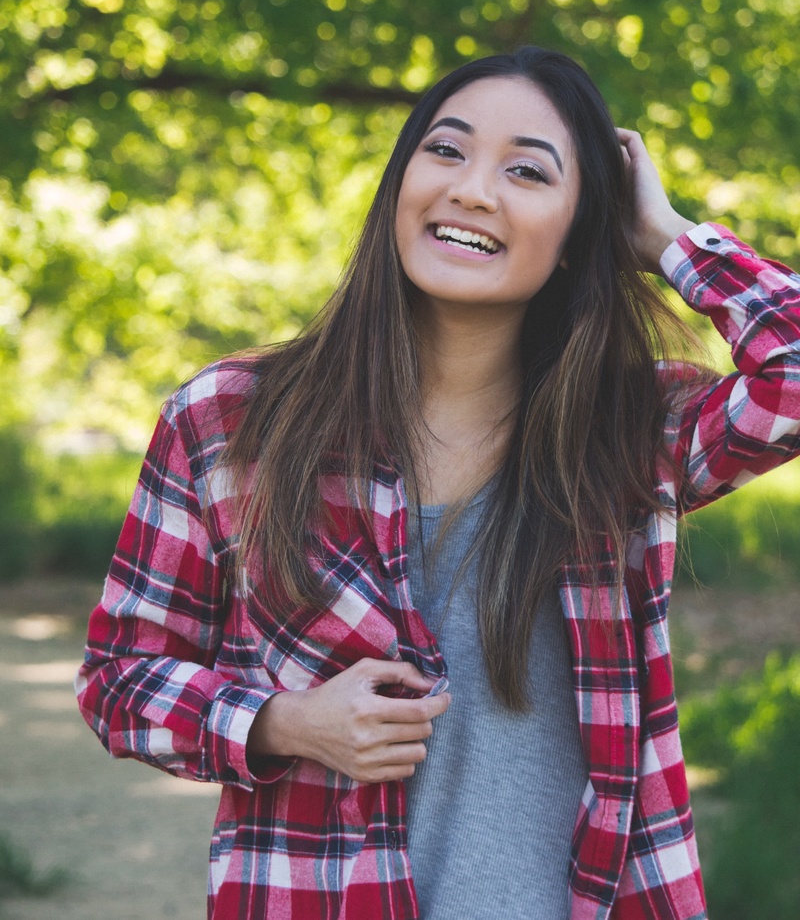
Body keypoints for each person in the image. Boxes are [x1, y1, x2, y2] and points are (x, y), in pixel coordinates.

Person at [76, 46, 800, 920]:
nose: (473, 190)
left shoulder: (631, 429)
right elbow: (119, 678)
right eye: (446, 151)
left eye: (527, 171)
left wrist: (673, 240)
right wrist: (282, 722)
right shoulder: (231, 421)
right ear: (400, 187)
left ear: (582, 237)